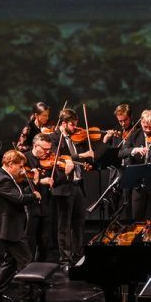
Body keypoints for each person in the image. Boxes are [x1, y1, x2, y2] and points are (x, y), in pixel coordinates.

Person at [0, 150, 40, 301]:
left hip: (11, 226)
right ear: (10, 164)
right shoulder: (2, 180)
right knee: (26, 261)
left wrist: (34, 182)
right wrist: (34, 195)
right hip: (10, 228)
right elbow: (18, 198)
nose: (22, 169)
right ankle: (27, 297)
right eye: (20, 166)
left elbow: (17, 188)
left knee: (10, 262)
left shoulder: (7, 176)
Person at [49, 109, 94, 270]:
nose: (75, 128)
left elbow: (76, 160)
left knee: (78, 222)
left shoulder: (74, 139)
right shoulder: (54, 138)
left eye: (76, 124)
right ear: (63, 123)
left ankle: (78, 254)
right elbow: (59, 158)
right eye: (72, 124)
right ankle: (65, 260)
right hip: (63, 187)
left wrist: (85, 160)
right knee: (64, 225)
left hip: (77, 185)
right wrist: (82, 156)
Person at [101, 103, 137, 217]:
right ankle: (112, 229)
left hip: (128, 172)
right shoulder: (117, 130)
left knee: (128, 204)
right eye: (119, 121)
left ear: (130, 117)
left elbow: (132, 151)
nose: (122, 123)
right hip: (116, 172)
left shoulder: (137, 131)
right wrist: (106, 140)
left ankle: (127, 231)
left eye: (124, 120)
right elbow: (110, 153)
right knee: (112, 202)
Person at [24, 133, 54, 261]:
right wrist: (40, 180)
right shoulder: (24, 159)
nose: (47, 152)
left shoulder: (48, 160)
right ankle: (27, 269)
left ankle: (40, 269)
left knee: (44, 239)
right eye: (45, 149)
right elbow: (21, 182)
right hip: (30, 204)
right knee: (30, 238)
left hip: (45, 202)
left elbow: (56, 178)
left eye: (49, 149)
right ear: (35, 145)